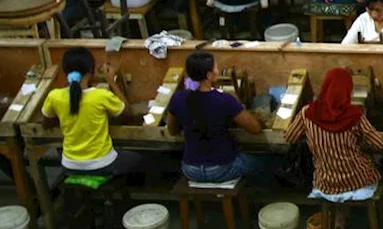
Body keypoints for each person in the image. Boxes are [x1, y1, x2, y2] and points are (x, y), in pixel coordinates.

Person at [284, 68, 383, 229]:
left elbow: (289, 137)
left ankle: (339, 218)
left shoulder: (308, 113)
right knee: (373, 167)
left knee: (336, 182)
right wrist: (357, 141)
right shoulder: (354, 115)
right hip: (359, 181)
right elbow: (379, 143)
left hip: (326, 183)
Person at [166, 51, 265, 182]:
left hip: (190, 169)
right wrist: (238, 104)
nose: (218, 71)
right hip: (220, 169)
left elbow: (172, 131)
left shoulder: (178, 97)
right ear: (209, 75)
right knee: (265, 163)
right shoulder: (224, 100)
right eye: (216, 68)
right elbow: (255, 129)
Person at [40, 47, 142, 175]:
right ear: (90, 72)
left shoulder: (54, 96)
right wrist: (111, 81)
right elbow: (128, 113)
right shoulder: (101, 96)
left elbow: (46, 124)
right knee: (139, 158)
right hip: (102, 164)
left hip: (70, 165)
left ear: (65, 72)